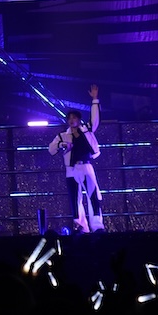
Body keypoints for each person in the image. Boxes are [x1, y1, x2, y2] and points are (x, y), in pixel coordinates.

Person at [48, 85, 105, 233]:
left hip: (86, 166)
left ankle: (97, 226)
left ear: (79, 119)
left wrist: (95, 99)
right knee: (75, 199)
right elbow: (51, 149)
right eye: (69, 118)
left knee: (93, 196)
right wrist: (62, 145)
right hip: (71, 169)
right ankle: (82, 226)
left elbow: (95, 119)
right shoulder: (63, 135)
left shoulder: (87, 129)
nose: (71, 120)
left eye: (74, 118)